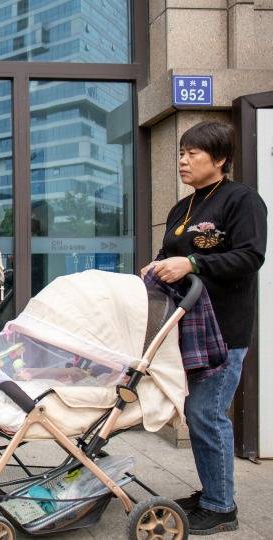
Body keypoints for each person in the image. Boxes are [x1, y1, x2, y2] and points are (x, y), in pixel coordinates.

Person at [140, 121, 267, 535]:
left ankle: (220, 507)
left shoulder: (242, 200)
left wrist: (193, 263)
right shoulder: (183, 207)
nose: (183, 160)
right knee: (199, 414)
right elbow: (168, 253)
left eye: (193, 153)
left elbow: (250, 257)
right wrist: (157, 265)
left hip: (223, 330)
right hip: (185, 329)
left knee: (205, 412)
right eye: (181, 152)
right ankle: (213, 492)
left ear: (221, 159)